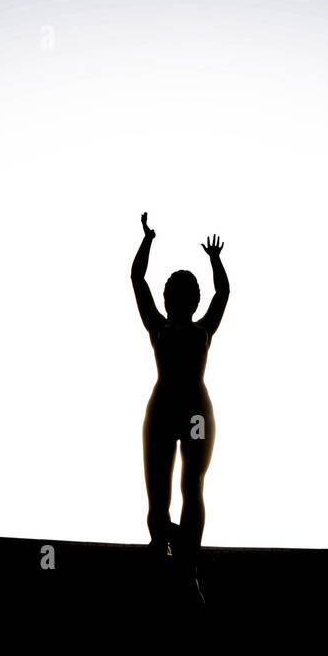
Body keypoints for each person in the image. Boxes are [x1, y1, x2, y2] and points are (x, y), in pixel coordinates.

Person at [131, 212, 229, 595]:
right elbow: (137, 280)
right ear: (168, 298)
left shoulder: (203, 330)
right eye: (173, 294)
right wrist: (148, 240)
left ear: (192, 300)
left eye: (184, 295)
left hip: (195, 414)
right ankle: (165, 550)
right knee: (159, 493)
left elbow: (222, 294)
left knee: (192, 484)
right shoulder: (158, 327)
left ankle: (187, 564)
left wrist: (215, 260)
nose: (176, 300)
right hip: (162, 412)